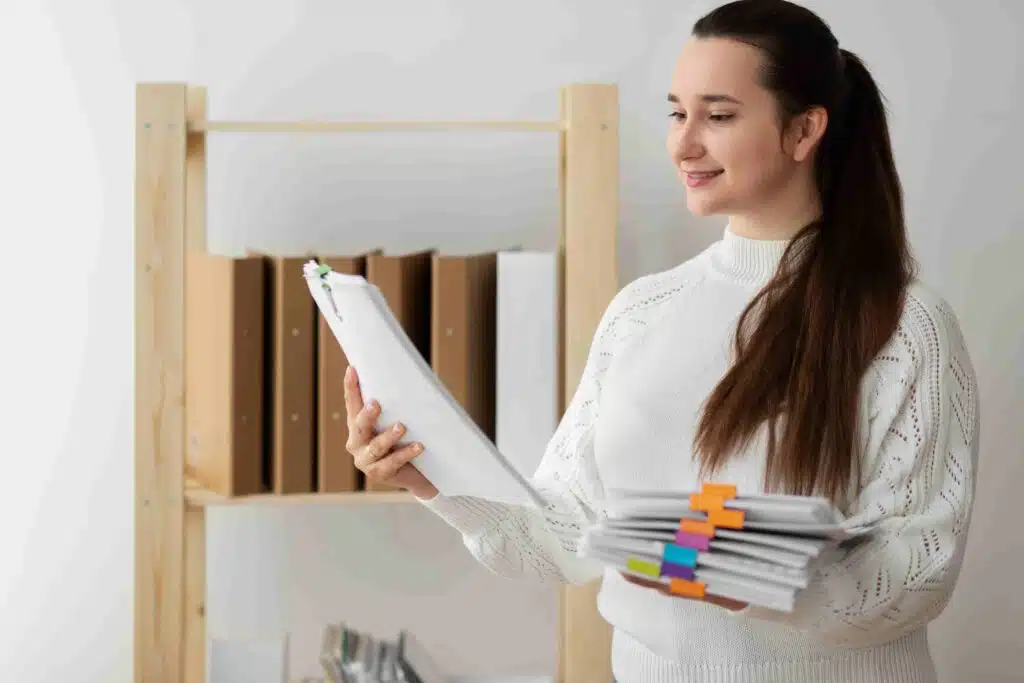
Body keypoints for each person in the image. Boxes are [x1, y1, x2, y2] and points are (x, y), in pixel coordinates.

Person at [341, 0, 981, 680]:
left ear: (803, 130)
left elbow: (917, 577)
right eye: (677, 113)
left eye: (720, 115)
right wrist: (433, 480)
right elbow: (564, 536)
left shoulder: (906, 326)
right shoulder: (641, 312)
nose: (683, 144)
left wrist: (757, 577)